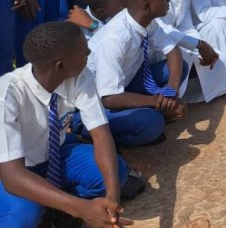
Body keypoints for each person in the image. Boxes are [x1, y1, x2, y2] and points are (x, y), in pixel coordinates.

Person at [0, 22, 130, 228]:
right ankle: (50, 206)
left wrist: (111, 199)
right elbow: (12, 177)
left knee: (115, 173)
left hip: (54, 156)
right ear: (60, 65)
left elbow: (101, 135)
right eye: (83, 50)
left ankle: (56, 204)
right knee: (22, 217)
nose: (89, 50)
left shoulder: (80, 75)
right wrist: (83, 210)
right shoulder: (7, 94)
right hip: (13, 170)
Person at [85, 0, 187, 148]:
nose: (168, 1)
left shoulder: (144, 20)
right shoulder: (114, 39)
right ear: (147, 6)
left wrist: (171, 92)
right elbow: (109, 98)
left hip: (126, 85)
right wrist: (158, 102)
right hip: (97, 104)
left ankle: (155, 110)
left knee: (178, 67)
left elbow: (172, 49)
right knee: (152, 124)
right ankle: (95, 139)